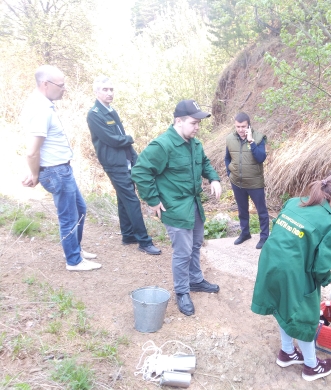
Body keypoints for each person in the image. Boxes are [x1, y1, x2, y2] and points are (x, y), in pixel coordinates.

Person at [251, 173, 331, 382]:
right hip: (294, 274)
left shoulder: (293, 203)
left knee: (282, 306)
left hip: (271, 264)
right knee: (305, 318)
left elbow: (283, 233)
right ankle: (311, 366)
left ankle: (287, 352)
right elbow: (320, 268)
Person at [132, 99, 222, 316]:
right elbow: (140, 172)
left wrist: (213, 178)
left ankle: (196, 280)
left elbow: (206, 163)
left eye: (199, 122)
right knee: (182, 252)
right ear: (178, 121)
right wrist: (152, 200)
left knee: (196, 245)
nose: (197, 127)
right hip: (174, 208)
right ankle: (182, 291)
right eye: (193, 123)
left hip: (194, 205)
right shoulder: (162, 145)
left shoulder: (195, 143)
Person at [21, 65, 101, 271]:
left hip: (62, 169)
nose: (64, 88)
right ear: (45, 84)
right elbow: (32, 151)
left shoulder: (43, 104)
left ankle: (75, 249)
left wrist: (35, 171)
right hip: (56, 171)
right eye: (61, 84)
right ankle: (73, 260)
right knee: (68, 216)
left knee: (80, 209)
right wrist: (35, 174)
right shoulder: (40, 109)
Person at [86, 76, 161, 255]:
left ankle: (128, 235)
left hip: (125, 161)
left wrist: (134, 158)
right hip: (114, 163)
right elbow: (112, 139)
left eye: (111, 89)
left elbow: (122, 140)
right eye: (105, 89)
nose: (109, 93)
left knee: (123, 198)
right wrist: (130, 138)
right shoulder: (94, 114)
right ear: (96, 92)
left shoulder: (111, 111)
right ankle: (144, 241)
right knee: (132, 200)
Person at [225, 112, 269, 249]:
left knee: (261, 211)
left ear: (248, 125)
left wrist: (251, 141)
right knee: (242, 210)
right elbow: (227, 158)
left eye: (243, 126)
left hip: (255, 182)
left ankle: (264, 237)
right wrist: (229, 173)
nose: (240, 129)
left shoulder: (259, 137)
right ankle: (245, 233)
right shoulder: (230, 139)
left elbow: (261, 158)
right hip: (237, 182)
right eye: (238, 126)